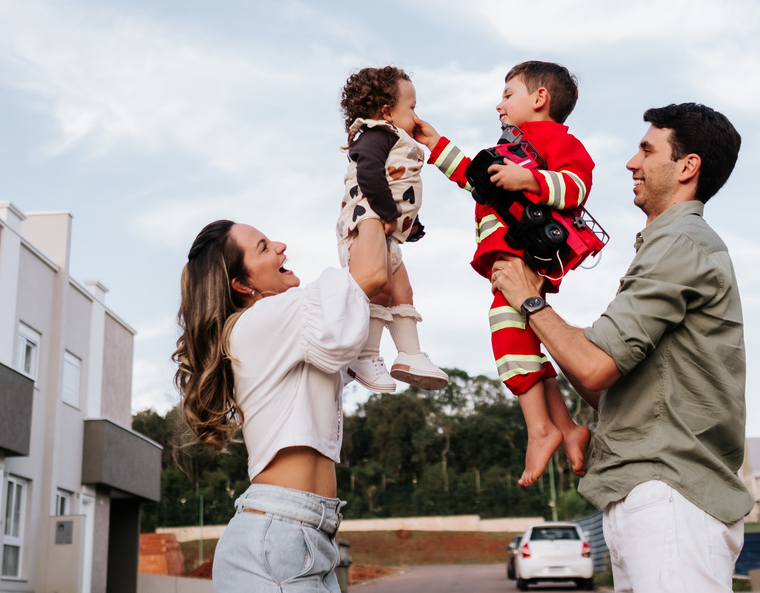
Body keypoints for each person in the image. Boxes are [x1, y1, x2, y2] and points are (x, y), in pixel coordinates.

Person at [491, 102, 752, 593]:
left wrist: (529, 301)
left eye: (647, 150)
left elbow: (593, 365)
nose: (632, 163)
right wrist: (539, 350)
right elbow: (608, 386)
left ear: (687, 167)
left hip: (670, 498)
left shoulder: (681, 243)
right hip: (647, 495)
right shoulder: (668, 246)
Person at [173, 216, 390, 591]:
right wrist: (368, 202)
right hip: (278, 538)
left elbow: (372, 289)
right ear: (242, 285)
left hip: (302, 535)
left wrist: (382, 233)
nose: (280, 246)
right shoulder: (259, 321)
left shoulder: (290, 332)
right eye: (263, 247)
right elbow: (369, 275)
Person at [414, 60, 593, 486]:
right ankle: (567, 428)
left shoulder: (555, 140)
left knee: (506, 332)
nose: (499, 104)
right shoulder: (513, 147)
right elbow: (474, 177)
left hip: (522, 255)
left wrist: (527, 179)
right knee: (527, 343)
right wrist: (434, 142)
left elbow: (577, 185)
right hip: (507, 254)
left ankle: (540, 429)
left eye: (508, 94)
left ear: (540, 98)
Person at [336, 66, 448, 392]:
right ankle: (365, 354)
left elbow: (400, 188)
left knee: (403, 292)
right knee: (381, 289)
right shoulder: (376, 134)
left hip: (386, 231)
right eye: (411, 108)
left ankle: (410, 353)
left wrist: (410, 226)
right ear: (387, 112)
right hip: (366, 224)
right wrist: (388, 212)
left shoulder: (393, 139)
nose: (416, 116)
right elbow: (369, 171)